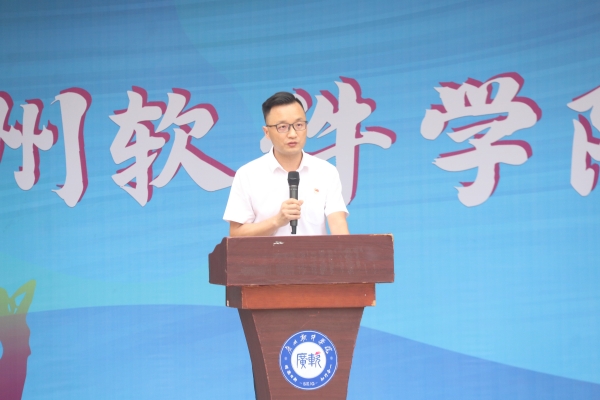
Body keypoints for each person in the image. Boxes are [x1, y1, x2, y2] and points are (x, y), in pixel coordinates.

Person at [223, 91, 349, 236]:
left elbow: (338, 223)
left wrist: (348, 249)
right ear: (267, 132)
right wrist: (276, 221)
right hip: (267, 252)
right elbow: (236, 233)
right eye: (282, 127)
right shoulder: (247, 174)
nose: (293, 134)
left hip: (314, 251)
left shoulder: (326, 171)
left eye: (299, 125)